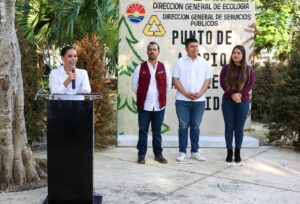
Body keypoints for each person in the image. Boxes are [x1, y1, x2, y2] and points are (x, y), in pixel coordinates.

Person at [172, 38, 212, 162]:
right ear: (186, 49)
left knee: (195, 126)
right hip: (182, 100)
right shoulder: (180, 62)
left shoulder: (204, 62)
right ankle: (182, 152)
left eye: (196, 46)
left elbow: (208, 80)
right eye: (192, 46)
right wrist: (185, 93)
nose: (195, 48)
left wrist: (200, 93)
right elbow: (175, 79)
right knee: (183, 126)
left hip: (199, 101)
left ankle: (195, 151)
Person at [132, 41, 172, 164]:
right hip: (144, 106)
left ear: (158, 52)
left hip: (159, 106)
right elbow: (134, 86)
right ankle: (141, 155)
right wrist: (144, 96)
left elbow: (168, 86)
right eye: (150, 49)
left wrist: (160, 97)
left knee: (157, 131)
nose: (152, 51)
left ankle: (158, 155)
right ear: (147, 51)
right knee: (143, 131)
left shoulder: (164, 67)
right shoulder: (140, 67)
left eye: (154, 49)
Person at [220, 45, 255, 164]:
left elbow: (250, 84)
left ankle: (237, 152)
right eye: (234, 52)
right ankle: (229, 152)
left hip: (243, 102)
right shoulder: (226, 68)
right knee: (229, 128)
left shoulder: (249, 69)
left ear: (243, 55)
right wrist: (232, 94)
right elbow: (222, 82)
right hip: (227, 101)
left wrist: (240, 94)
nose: (236, 55)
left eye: (238, 53)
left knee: (239, 129)